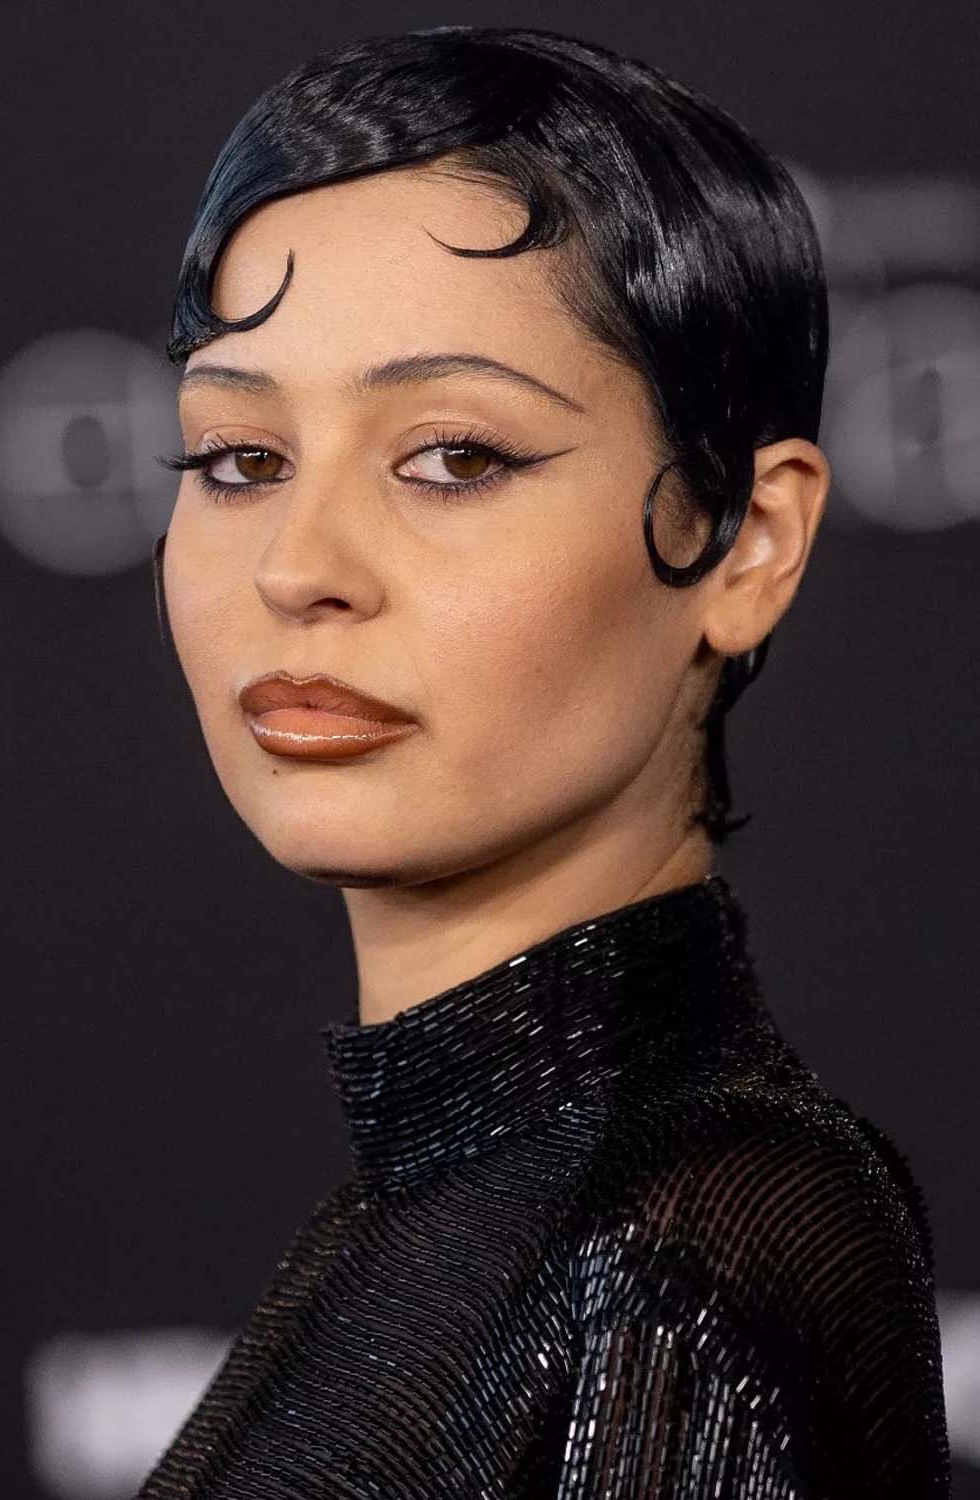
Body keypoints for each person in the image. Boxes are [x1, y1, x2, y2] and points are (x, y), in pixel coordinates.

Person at [139, 24, 951, 1497]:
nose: (298, 568)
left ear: (748, 541)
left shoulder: (679, 1253)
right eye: (239, 461)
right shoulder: (435, 1215)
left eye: (456, 456)